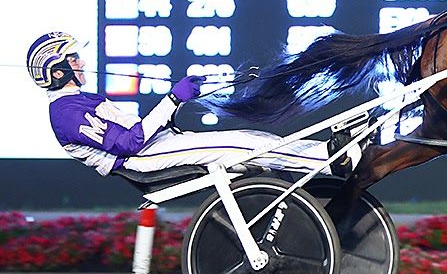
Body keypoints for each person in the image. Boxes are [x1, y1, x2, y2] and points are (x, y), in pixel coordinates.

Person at [27, 31, 346, 177]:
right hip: (143, 158)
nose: (81, 62)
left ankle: (322, 155)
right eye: (73, 58)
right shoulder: (65, 114)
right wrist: (171, 99)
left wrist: (176, 104)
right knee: (245, 145)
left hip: (156, 145)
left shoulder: (78, 101)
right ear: (57, 71)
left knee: (255, 140)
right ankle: (330, 163)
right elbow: (129, 142)